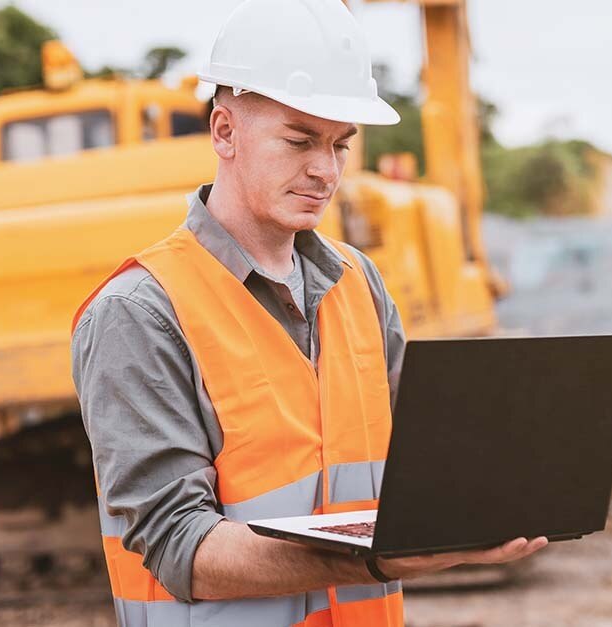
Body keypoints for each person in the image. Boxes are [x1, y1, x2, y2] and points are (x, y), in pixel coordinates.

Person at [70, 1, 547, 624]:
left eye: (340, 145)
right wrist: (386, 558)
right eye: (299, 141)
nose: (325, 170)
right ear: (224, 131)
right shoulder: (141, 311)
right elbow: (181, 548)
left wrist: (496, 490)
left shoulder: (359, 283)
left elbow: (421, 461)